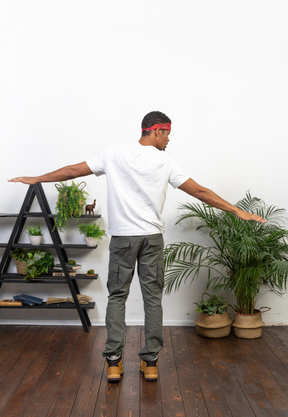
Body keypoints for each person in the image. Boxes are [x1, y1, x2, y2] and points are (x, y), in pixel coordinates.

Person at [9, 111, 265, 382]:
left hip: (123, 239)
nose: (168, 139)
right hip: (152, 239)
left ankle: (113, 363)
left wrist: (37, 178)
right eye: (167, 133)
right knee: (152, 298)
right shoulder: (165, 161)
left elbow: (74, 170)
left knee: (117, 297)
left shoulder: (114, 154)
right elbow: (200, 192)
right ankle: (151, 363)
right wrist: (238, 211)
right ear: (155, 130)